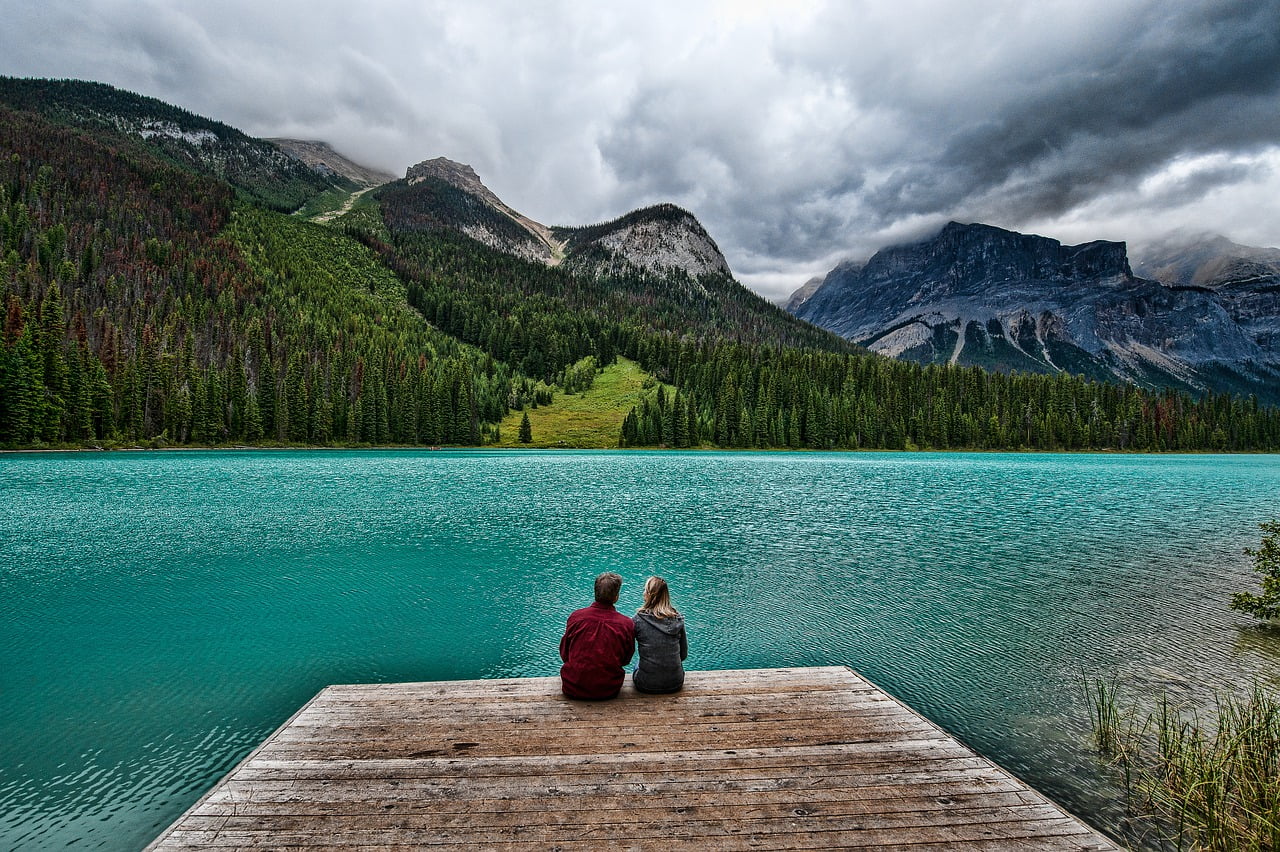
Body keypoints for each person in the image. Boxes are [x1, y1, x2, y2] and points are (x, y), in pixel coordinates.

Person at [559, 572, 636, 700]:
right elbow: (626, 659)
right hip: (609, 689)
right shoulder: (626, 624)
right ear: (616, 597)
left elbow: (564, 653)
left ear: (595, 593)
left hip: (573, 686)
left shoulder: (576, 617)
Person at [632, 576, 687, 694]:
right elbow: (683, 655)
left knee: (638, 663)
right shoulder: (677, 619)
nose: (643, 593)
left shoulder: (637, 620)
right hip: (675, 683)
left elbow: (628, 652)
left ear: (649, 595)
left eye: (645, 590)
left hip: (645, 684)